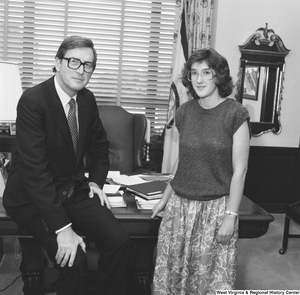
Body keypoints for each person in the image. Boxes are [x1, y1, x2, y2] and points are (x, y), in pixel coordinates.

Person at [3, 36, 130, 295]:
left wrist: (95, 180)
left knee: (119, 241)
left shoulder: (86, 100)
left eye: (88, 65)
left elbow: (99, 148)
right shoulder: (33, 100)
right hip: (31, 196)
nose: (82, 70)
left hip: (71, 189)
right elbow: (35, 172)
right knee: (74, 259)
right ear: (58, 62)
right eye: (74, 62)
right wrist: (64, 229)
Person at [151, 48, 250, 294]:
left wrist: (231, 215)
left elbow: (241, 171)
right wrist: (165, 197)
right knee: (172, 274)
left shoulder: (235, 114)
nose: (199, 79)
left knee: (208, 280)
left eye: (207, 72)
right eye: (194, 73)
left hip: (215, 210)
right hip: (180, 207)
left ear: (218, 76)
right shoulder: (184, 112)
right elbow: (183, 160)